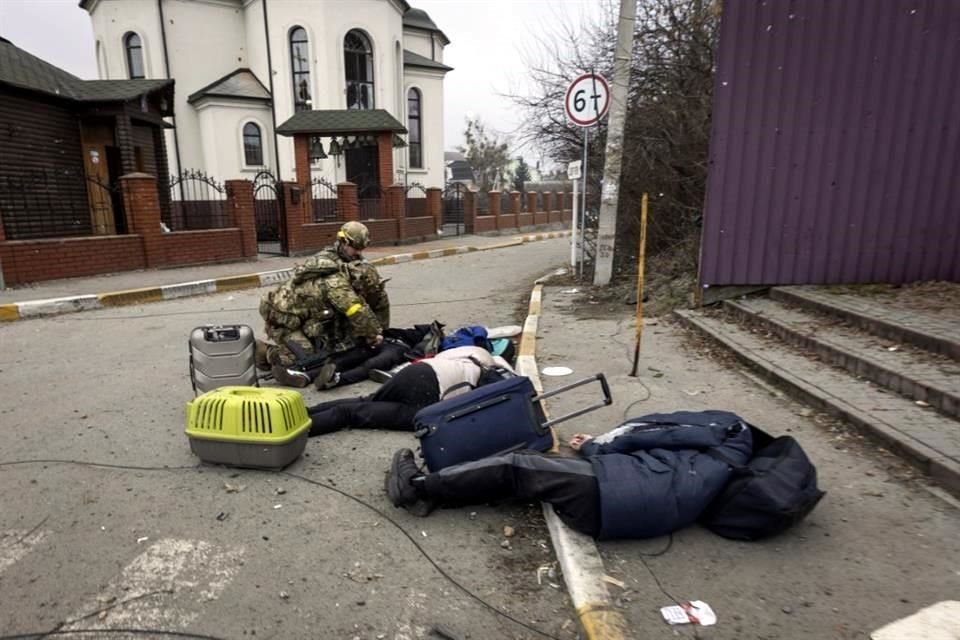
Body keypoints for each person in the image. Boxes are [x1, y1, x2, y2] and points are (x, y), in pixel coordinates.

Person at [385, 410, 754, 539]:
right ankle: (443, 495)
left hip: (616, 494)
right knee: (528, 472)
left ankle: (416, 487)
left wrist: (595, 445)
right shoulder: (726, 456)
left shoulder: (721, 428)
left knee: (517, 464)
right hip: (632, 502)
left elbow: (653, 433)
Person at [255, 221, 388, 387]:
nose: (359, 253)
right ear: (344, 242)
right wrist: (373, 334)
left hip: (308, 317)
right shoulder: (333, 277)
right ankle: (266, 352)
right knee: (307, 360)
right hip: (283, 320)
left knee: (333, 349)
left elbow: (375, 299)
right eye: (356, 247)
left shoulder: (347, 261)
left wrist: (379, 328)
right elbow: (354, 309)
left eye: (362, 248)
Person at [307, 345, 514, 436]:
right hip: (428, 397)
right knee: (353, 414)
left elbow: (430, 358)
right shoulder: (492, 372)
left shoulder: (465, 353)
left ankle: (304, 412)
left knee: (367, 399)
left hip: (416, 371)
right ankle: (298, 432)